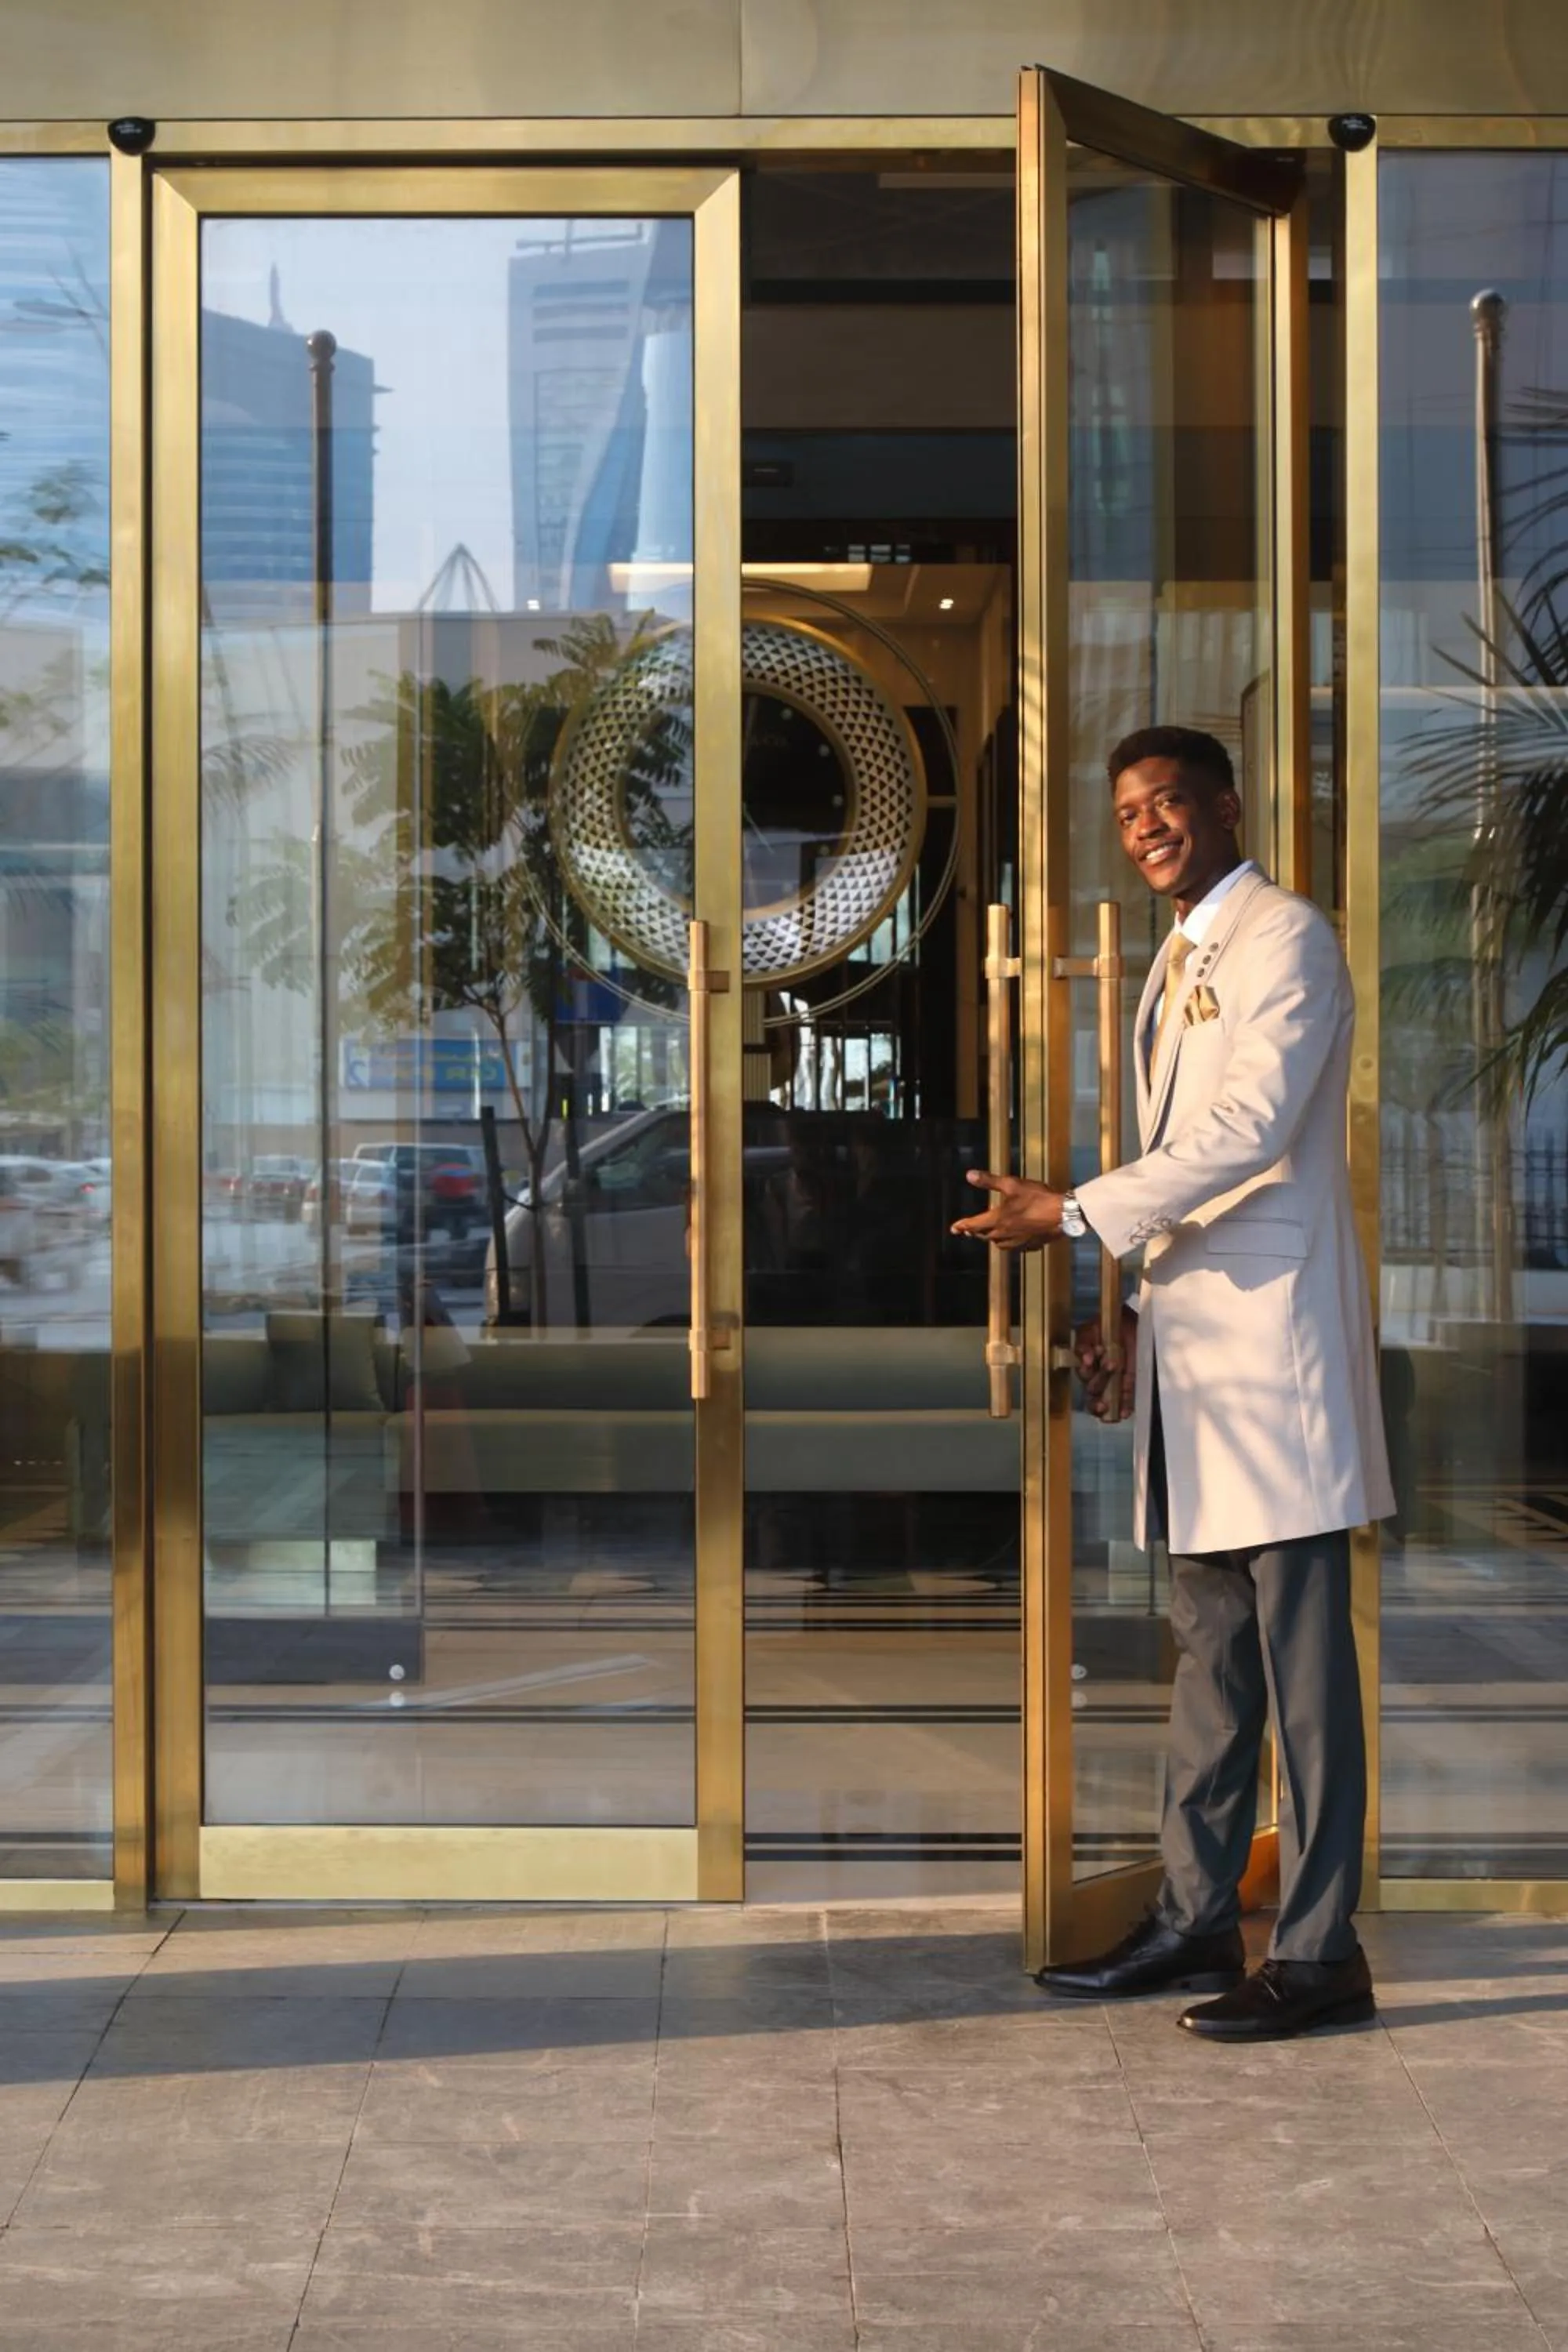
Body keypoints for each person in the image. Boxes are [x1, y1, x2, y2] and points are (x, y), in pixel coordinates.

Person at [953, 724, 1393, 2042]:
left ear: (1228, 805)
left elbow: (1250, 1132)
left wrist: (1077, 1214)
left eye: (1169, 803)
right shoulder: (1179, 959)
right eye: (1131, 809)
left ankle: (1319, 1953)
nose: (1147, 825)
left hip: (1277, 1357)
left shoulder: (1286, 939)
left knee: (1305, 1679)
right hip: (1200, 1361)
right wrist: (1134, 1317)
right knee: (1212, 1661)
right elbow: (1194, 1171)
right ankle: (1200, 1917)